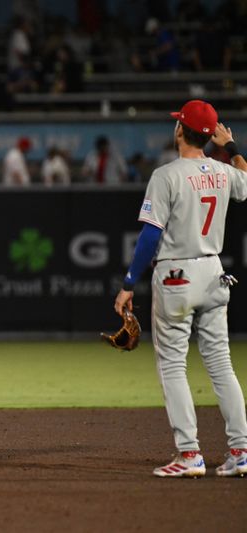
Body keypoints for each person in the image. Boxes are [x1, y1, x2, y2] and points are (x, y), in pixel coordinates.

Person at [113, 100, 247, 478]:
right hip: (214, 271)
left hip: (176, 275)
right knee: (221, 363)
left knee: (173, 364)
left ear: (179, 131)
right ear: (209, 135)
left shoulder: (167, 175)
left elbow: (150, 234)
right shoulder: (223, 171)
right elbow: (246, 181)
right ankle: (241, 451)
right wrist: (231, 147)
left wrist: (128, 283)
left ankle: (189, 454)